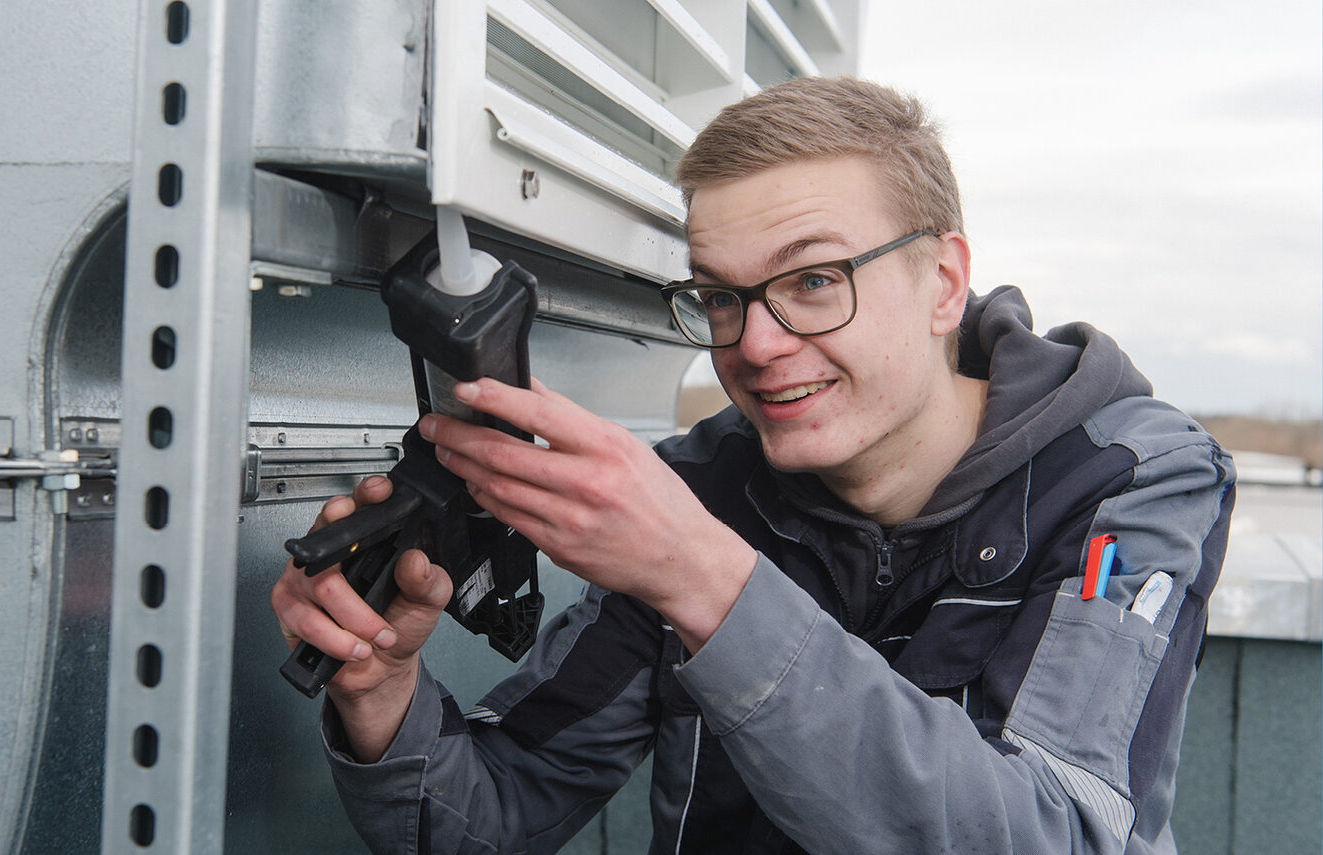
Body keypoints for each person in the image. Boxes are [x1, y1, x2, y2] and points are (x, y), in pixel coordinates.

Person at [272, 76, 1234, 854]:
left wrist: (702, 575)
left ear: (942, 283)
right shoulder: (707, 490)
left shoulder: (1130, 478)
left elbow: (1056, 834)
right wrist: (383, 695)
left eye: (814, 281)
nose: (758, 345)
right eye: (721, 298)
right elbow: (496, 811)